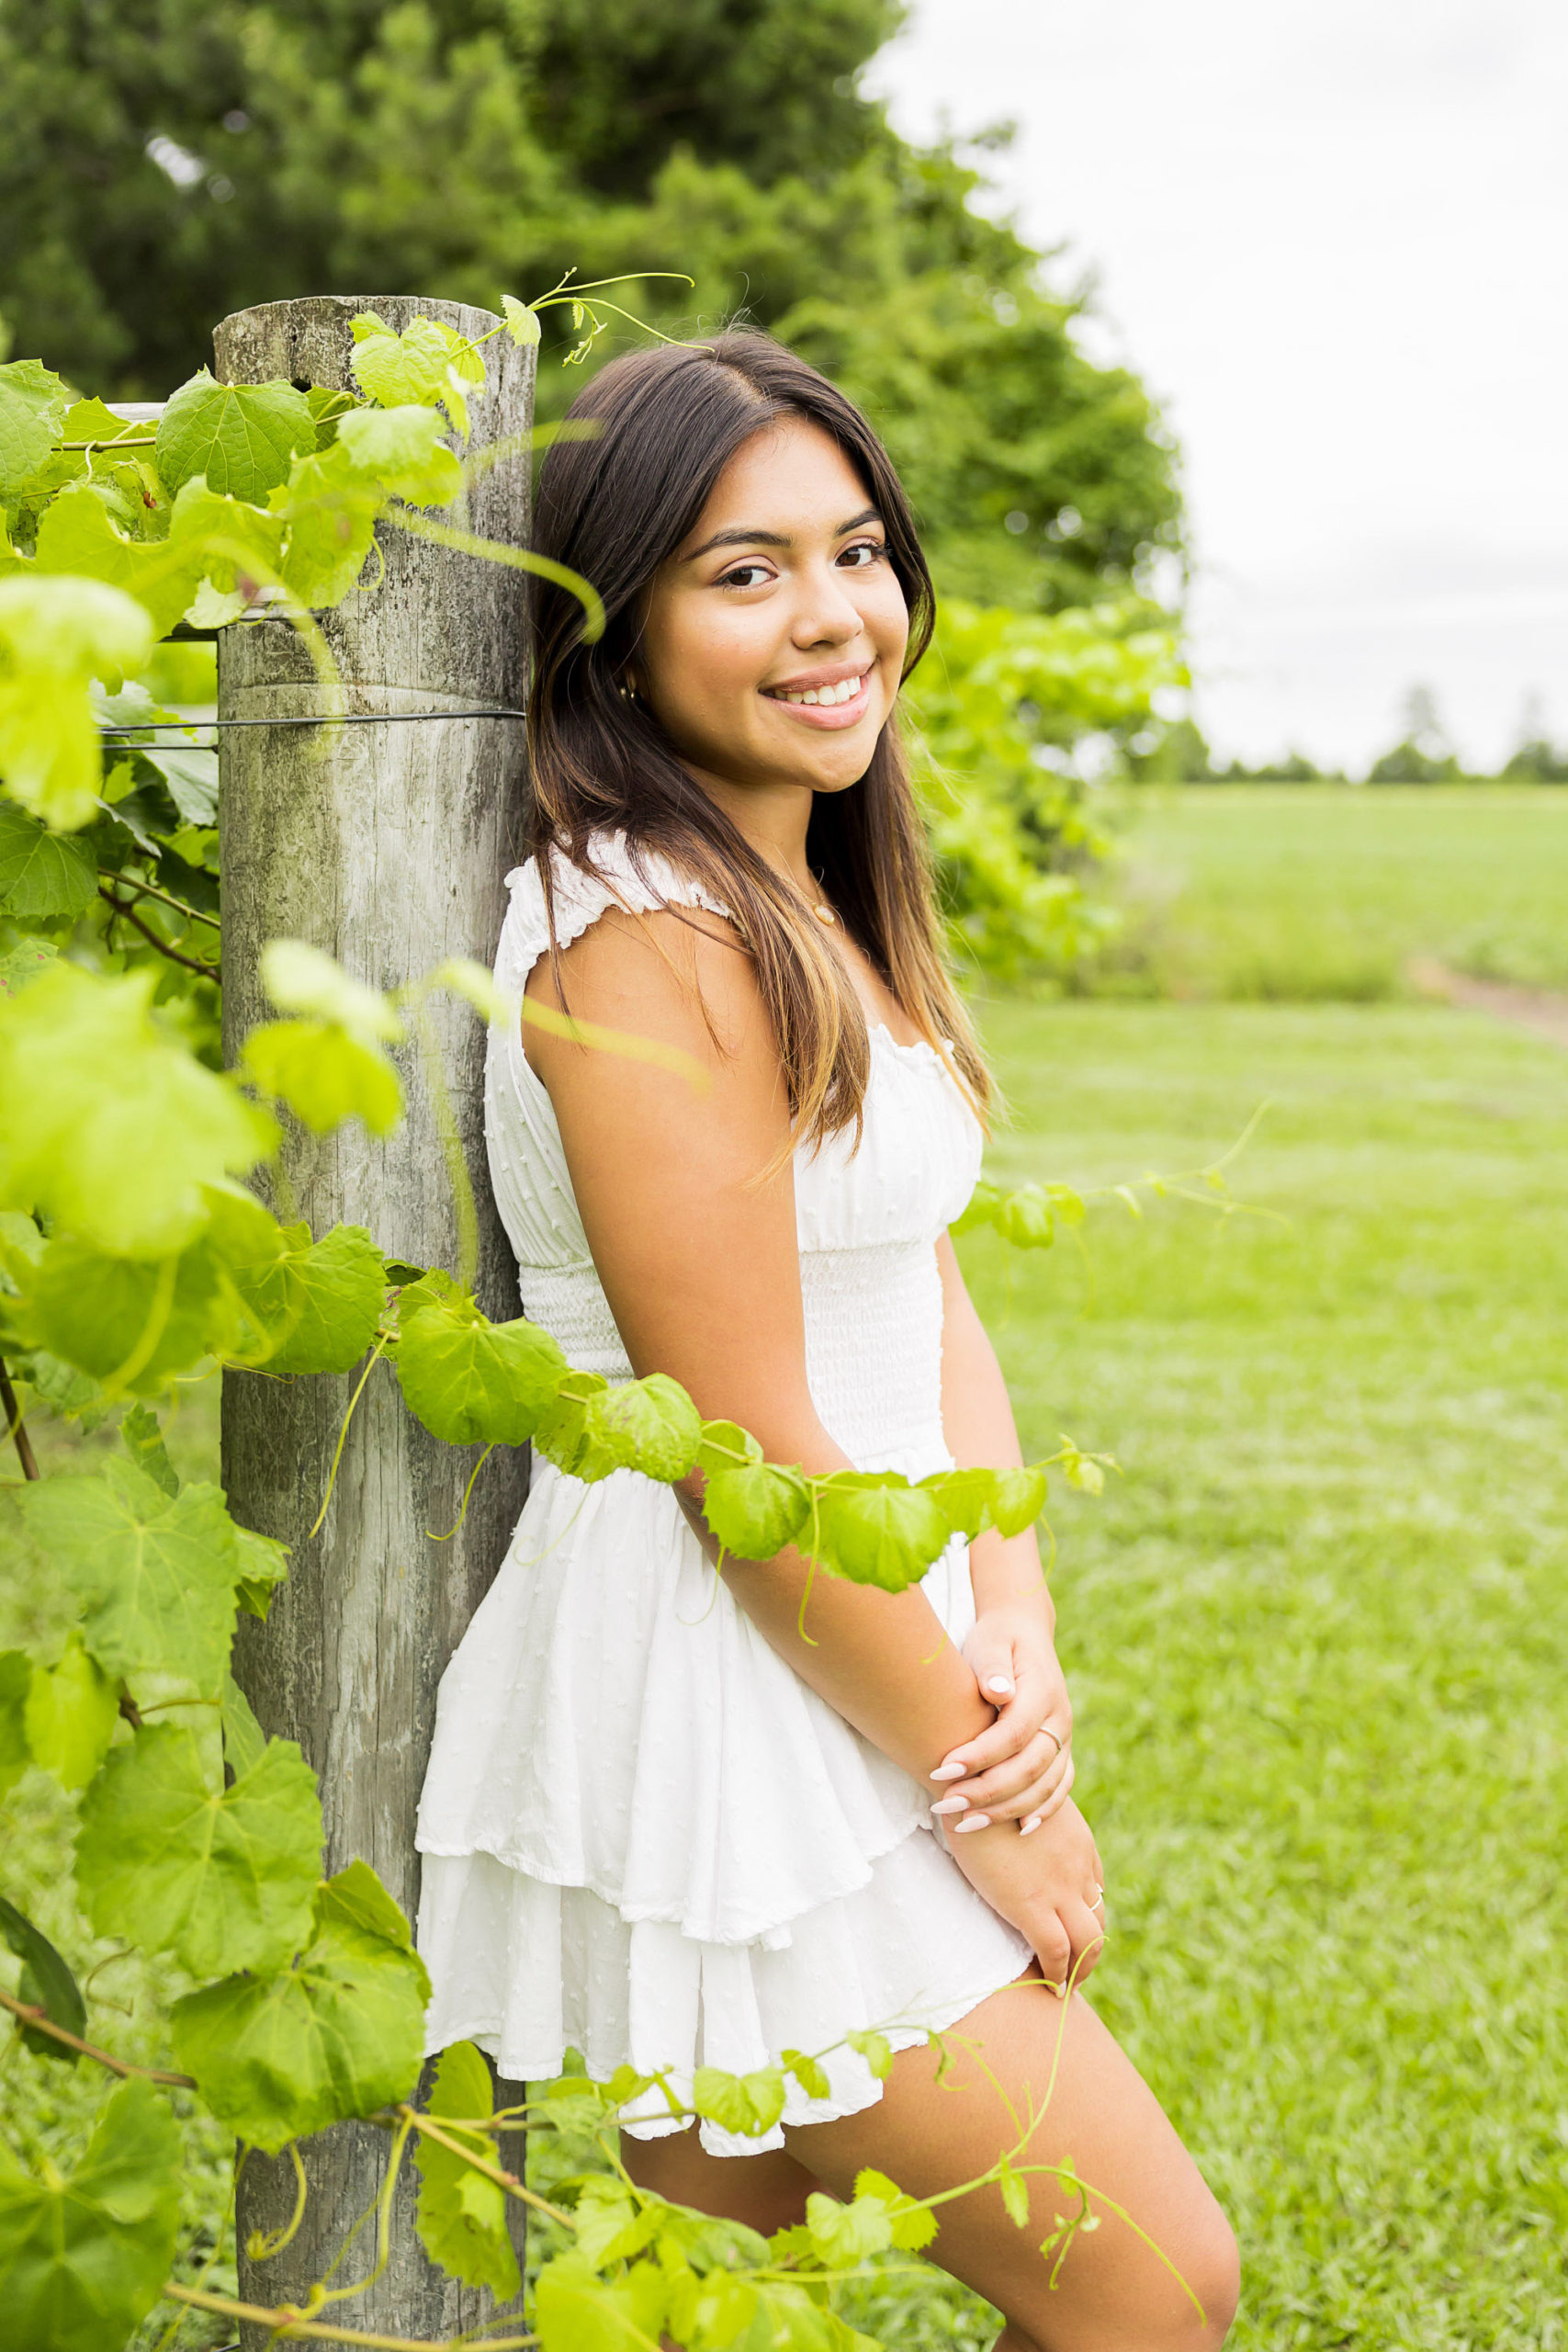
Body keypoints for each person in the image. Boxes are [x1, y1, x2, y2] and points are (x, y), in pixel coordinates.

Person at [414, 331, 1238, 2351]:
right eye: (742, 568)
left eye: (853, 549)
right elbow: (740, 1449)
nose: (830, 615)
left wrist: (1011, 1594)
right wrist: (990, 1787)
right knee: (1152, 2278)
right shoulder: (643, 934)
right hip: (737, 1690)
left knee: (724, 2304)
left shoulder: (782, 887)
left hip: (865, 1641)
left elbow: (912, 1274)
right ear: (612, 632)